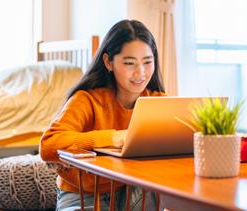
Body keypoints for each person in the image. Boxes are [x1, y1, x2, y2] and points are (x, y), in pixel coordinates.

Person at [40, 19, 165, 211]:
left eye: (148, 62)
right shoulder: (87, 99)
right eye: (130, 63)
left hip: (130, 192)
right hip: (82, 195)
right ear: (108, 62)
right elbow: (48, 145)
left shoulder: (157, 102)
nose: (141, 72)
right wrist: (114, 137)